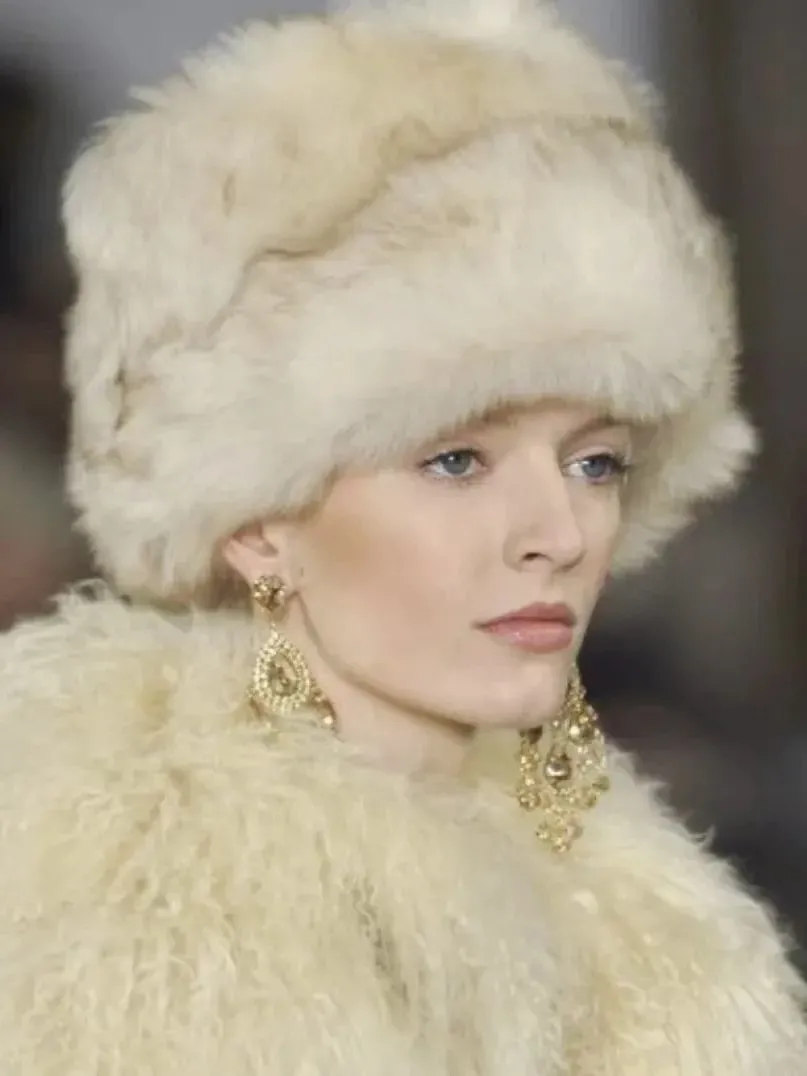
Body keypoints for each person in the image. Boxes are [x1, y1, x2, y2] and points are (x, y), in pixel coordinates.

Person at [0, 0, 804, 1071]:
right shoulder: (118, 910)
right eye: (456, 460)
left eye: (595, 462)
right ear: (257, 523)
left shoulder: (652, 921)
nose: (560, 534)